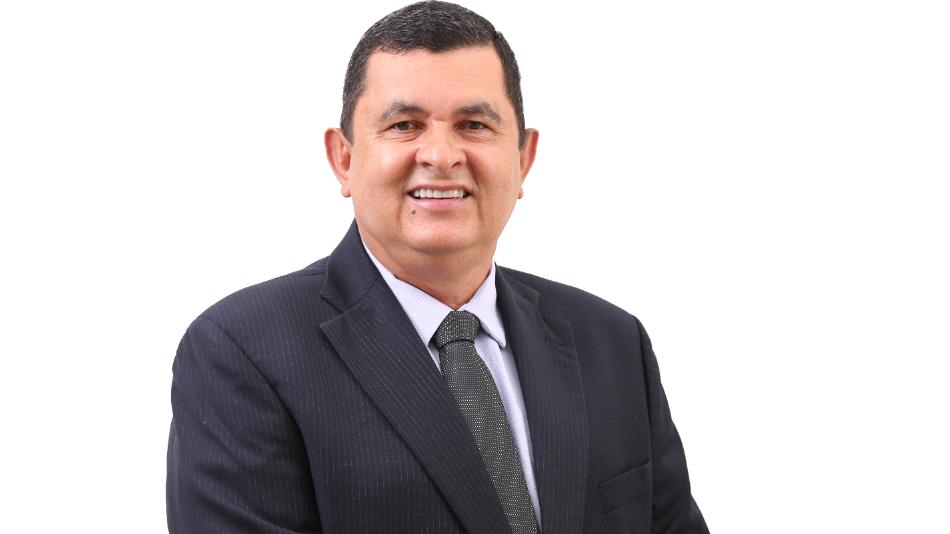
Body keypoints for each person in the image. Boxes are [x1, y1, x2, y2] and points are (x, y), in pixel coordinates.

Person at [166, 2, 709, 532]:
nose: (442, 155)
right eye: (405, 125)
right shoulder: (243, 351)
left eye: (474, 124)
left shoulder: (612, 342)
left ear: (523, 160)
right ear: (344, 159)